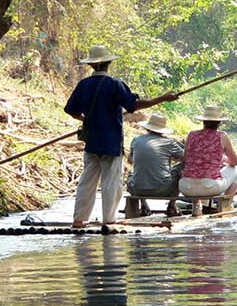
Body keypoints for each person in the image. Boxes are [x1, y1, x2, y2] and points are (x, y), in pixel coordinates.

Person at [64, 45, 178, 228]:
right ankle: (109, 220)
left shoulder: (83, 85)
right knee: (111, 181)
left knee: (87, 181)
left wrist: (86, 119)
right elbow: (135, 105)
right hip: (110, 141)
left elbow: (70, 110)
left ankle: (78, 220)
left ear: (93, 65)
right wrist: (162, 98)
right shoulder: (115, 85)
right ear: (108, 63)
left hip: (91, 141)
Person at [179, 105, 237, 202]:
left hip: (186, 187)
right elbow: (234, 161)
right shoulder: (222, 136)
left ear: (203, 121)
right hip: (209, 187)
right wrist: (223, 159)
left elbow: (186, 158)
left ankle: (197, 207)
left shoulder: (192, 135)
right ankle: (226, 205)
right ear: (219, 123)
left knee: (194, 175)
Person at [126, 113, 184, 217]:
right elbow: (185, 159)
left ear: (148, 128)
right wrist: (171, 157)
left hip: (137, 189)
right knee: (180, 168)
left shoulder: (136, 140)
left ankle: (143, 205)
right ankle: (172, 206)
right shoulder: (168, 142)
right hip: (163, 190)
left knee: (132, 175)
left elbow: (130, 161)